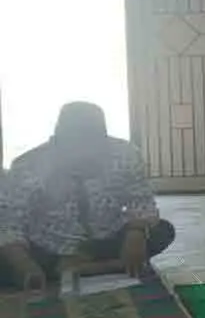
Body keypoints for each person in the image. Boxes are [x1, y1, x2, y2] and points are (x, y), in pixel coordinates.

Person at [0, 102, 173, 287]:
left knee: (163, 230)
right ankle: (102, 267)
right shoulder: (28, 166)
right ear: (58, 137)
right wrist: (25, 266)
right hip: (50, 247)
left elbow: (141, 201)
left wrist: (135, 233)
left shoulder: (125, 154)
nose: (87, 151)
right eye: (77, 142)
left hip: (105, 240)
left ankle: (72, 270)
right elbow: (10, 223)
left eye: (94, 142)